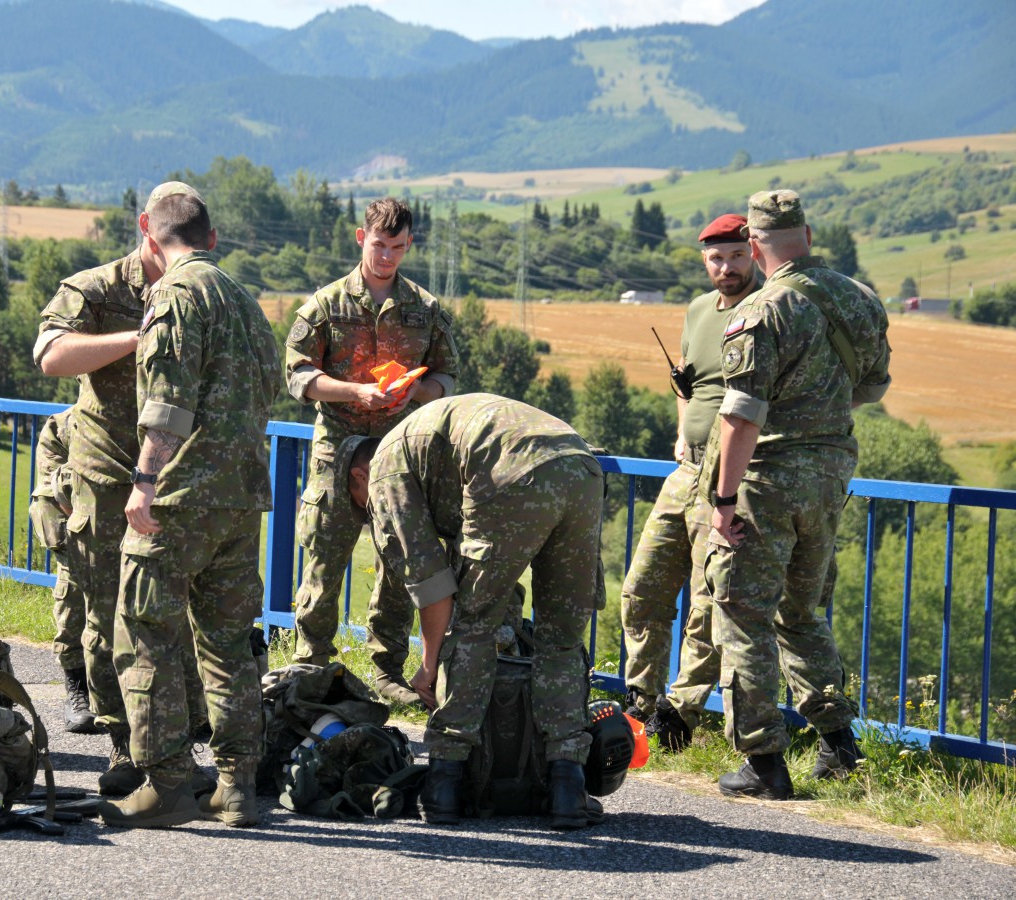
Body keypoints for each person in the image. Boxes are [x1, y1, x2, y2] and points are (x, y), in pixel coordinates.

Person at [342, 393, 606, 830]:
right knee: (560, 638)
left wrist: (428, 666)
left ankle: (444, 784)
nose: (369, 513)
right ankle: (567, 787)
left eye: (359, 503)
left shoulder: (385, 468)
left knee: (473, 628)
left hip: (512, 470)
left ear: (359, 477)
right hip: (581, 466)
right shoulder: (424, 440)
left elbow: (433, 590)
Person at [100, 191, 281, 829]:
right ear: (211, 237)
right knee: (228, 644)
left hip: (180, 498)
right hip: (239, 498)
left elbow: (167, 404)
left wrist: (144, 480)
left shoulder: (175, 296)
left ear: (149, 234)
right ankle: (237, 786)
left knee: (144, 631)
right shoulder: (244, 301)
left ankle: (169, 783)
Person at [706, 190, 890, 799]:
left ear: (753, 245)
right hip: (830, 475)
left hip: (769, 480)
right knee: (803, 611)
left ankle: (762, 762)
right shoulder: (859, 297)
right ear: (807, 236)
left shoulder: (762, 309)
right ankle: (838, 744)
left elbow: (741, 416)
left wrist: (723, 501)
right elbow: (873, 387)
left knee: (743, 611)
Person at [34, 183, 211, 794]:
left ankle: (174, 746)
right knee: (108, 613)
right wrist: (140, 337)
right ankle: (122, 745)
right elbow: (51, 355)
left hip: (177, 478)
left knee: (176, 617)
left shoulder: (200, 291)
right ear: (145, 228)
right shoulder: (97, 289)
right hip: (108, 477)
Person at [284, 197, 458, 704]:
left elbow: (448, 377)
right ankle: (311, 667)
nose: (387, 257)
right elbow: (297, 376)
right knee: (323, 561)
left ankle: (387, 672)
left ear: (409, 246)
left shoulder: (424, 310)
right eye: (379, 245)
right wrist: (354, 392)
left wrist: (417, 391)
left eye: (397, 248)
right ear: (362, 238)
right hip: (338, 452)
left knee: (398, 564)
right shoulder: (326, 305)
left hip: (398, 455)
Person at [619, 213, 758, 746]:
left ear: (754, 254)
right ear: (704, 260)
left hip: (731, 474)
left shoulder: (763, 309)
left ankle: (678, 717)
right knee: (642, 588)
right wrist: (682, 432)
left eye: (737, 256)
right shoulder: (699, 310)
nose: (727, 267)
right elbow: (685, 380)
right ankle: (640, 700)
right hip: (687, 468)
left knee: (705, 599)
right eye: (716, 258)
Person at [27, 409, 101, 733]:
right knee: (74, 582)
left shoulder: (137, 415)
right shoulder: (63, 426)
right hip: (77, 520)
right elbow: (52, 490)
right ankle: (77, 686)